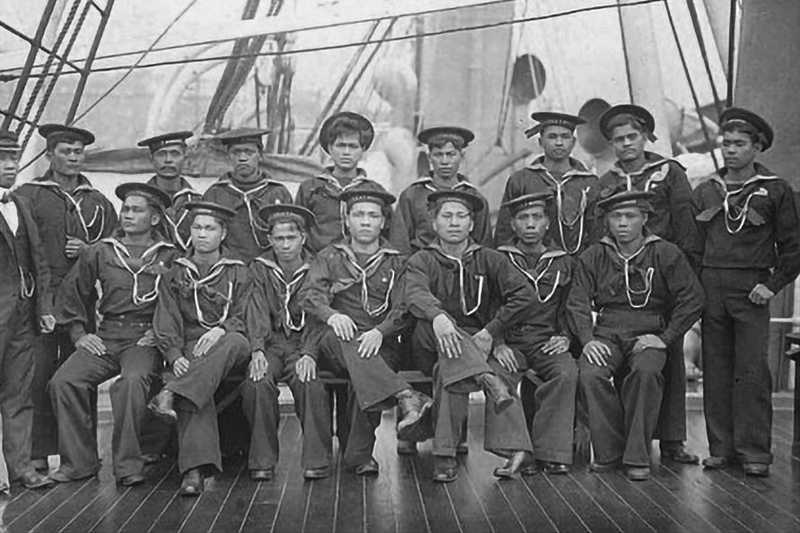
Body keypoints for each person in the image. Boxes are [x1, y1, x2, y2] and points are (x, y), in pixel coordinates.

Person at [298, 184, 433, 476]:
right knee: (346, 341)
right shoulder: (330, 256)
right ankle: (405, 395)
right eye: (359, 215)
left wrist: (380, 332)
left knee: (370, 366)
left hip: (379, 342)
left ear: (383, 221)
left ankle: (357, 456)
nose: (366, 221)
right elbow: (309, 295)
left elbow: (403, 308)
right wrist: (332, 315)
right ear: (347, 219)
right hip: (335, 341)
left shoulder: (397, 261)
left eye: (373, 215)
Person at [694, 108, 800, 477]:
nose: (731, 151)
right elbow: (693, 247)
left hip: (751, 288)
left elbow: (793, 247)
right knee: (716, 369)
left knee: (753, 371)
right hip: (712, 286)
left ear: (757, 148)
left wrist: (771, 285)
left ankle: (755, 451)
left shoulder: (776, 190)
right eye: (727, 144)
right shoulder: (707, 189)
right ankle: (721, 449)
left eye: (740, 144)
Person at [569, 190, 703, 481]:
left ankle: (636, 455)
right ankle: (609, 452)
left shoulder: (665, 252)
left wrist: (665, 338)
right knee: (590, 374)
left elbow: (693, 298)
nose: (622, 223)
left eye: (630, 216)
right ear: (607, 221)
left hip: (650, 329)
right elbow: (577, 302)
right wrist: (587, 339)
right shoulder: (594, 255)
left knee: (645, 372)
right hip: (607, 330)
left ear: (644, 218)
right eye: (616, 217)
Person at [594, 104, 702, 464]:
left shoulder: (669, 173)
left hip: (665, 271)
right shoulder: (606, 182)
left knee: (665, 355)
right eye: (618, 140)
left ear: (645, 137)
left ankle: (671, 439)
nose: (625, 145)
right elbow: (599, 229)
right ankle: (628, 438)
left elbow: (686, 223)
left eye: (632, 137)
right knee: (629, 359)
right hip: (621, 273)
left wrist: (683, 270)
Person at [48, 183, 176, 486]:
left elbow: (179, 304)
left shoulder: (169, 256)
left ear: (155, 219)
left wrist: (160, 334)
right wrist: (80, 334)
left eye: (136, 210)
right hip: (107, 336)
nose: (127, 215)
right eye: (125, 209)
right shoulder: (101, 251)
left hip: (145, 339)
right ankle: (80, 463)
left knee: (131, 383)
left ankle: (128, 465)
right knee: (64, 381)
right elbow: (72, 292)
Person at [405, 188, 534, 482]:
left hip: (472, 344)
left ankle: (445, 455)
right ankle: (489, 380)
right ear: (434, 223)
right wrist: (437, 316)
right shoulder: (421, 260)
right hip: (430, 338)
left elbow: (524, 295)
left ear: (472, 224)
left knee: (451, 370)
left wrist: (493, 331)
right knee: (445, 341)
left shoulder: (489, 259)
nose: (454, 222)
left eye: (461, 216)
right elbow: (413, 293)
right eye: (446, 216)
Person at [15, 124, 117, 470]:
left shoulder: (98, 202)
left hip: (82, 302)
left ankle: (82, 450)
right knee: (38, 374)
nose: (74, 158)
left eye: (78, 152)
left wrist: (90, 249)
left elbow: (113, 249)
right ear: (49, 156)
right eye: (66, 152)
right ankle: (37, 453)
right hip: (40, 301)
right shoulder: (27, 195)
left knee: (79, 374)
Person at [148, 201, 252, 495]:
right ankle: (194, 470)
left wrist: (221, 329)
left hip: (234, 342)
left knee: (230, 343)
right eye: (197, 227)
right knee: (198, 377)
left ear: (223, 233)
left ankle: (171, 392)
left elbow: (248, 313)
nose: (202, 234)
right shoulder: (175, 273)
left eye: (210, 228)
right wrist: (174, 354)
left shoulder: (239, 271)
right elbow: (166, 318)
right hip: (193, 348)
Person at [244, 203, 332, 480]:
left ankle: (316, 460)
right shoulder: (259, 268)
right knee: (256, 381)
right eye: (278, 238)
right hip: (270, 343)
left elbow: (320, 313)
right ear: (269, 239)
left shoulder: (318, 266)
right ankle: (262, 460)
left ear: (303, 238)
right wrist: (257, 349)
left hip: (303, 343)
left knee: (310, 381)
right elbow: (255, 309)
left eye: (290, 238)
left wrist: (310, 353)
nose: (284, 244)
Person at [495, 191, 578, 475]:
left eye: (537, 217)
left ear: (547, 223)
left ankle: (550, 452)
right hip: (511, 341)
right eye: (523, 218)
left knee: (566, 373)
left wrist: (566, 335)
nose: (530, 224)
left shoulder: (564, 261)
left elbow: (571, 305)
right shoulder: (497, 259)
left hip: (547, 341)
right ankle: (517, 451)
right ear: (513, 225)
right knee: (497, 375)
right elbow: (487, 306)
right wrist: (498, 343)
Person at [0, 130, 55, 490]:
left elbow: (39, 260)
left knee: (19, 394)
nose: (9, 166)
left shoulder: (19, 204)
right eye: (1, 159)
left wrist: (44, 306)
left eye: (13, 159)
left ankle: (20, 468)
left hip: (23, 317)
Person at [494, 112, 599, 253]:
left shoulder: (589, 182)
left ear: (573, 142)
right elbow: (504, 233)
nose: (559, 143)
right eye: (552, 136)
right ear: (540, 142)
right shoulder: (521, 180)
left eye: (565, 137)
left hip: (578, 266)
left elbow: (596, 234)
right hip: (532, 267)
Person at [390, 126, 491, 254]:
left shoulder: (474, 197)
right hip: (421, 268)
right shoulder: (412, 195)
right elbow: (400, 243)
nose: (445, 161)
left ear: (462, 156)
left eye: (451, 154)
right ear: (429, 157)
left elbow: (484, 245)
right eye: (438, 154)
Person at [295, 111, 385, 252]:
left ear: (363, 149)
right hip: (318, 264)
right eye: (341, 145)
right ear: (329, 148)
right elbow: (299, 231)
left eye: (353, 146)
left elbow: (386, 234)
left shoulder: (374, 191)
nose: (346, 152)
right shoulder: (310, 189)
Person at [202, 128, 292, 261]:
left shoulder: (277, 193)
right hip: (226, 267)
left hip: (268, 267)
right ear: (228, 156)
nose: (242, 158)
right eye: (236, 152)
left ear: (260, 155)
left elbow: (289, 238)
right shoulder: (215, 193)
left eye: (249, 152)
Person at [139, 130, 202, 252]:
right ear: (151, 159)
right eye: (161, 154)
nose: (168, 160)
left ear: (185, 158)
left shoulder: (197, 201)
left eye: (175, 154)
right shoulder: (139, 200)